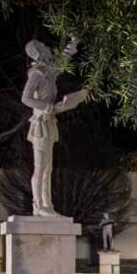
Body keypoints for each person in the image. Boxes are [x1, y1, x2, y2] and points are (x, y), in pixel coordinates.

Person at [21, 38, 86, 216]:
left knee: (47, 168)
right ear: (38, 53)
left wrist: (73, 43)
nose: (47, 47)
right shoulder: (36, 74)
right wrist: (47, 107)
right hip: (40, 123)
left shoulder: (48, 72)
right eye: (43, 46)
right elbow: (25, 98)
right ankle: (39, 206)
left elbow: (62, 61)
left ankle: (47, 205)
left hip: (49, 122)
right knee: (40, 166)